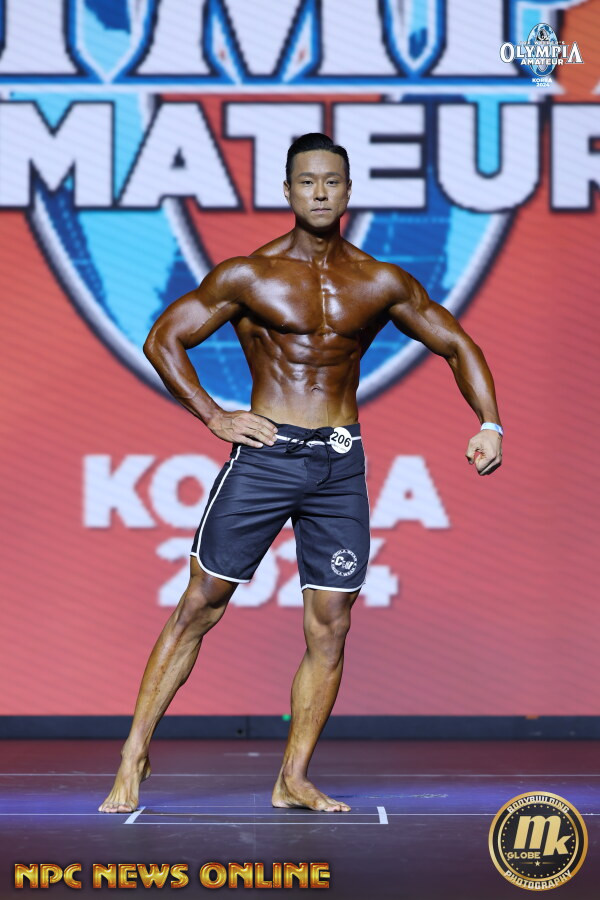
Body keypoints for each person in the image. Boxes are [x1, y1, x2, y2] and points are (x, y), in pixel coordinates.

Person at [99, 132, 502, 815]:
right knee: (201, 603)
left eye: (331, 181)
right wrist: (213, 415)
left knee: (331, 623)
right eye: (307, 181)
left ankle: (293, 777)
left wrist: (490, 423)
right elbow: (163, 338)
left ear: (349, 191)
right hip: (266, 455)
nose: (320, 192)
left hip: (338, 463)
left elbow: (456, 342)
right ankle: (134, 753)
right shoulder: (249, 276)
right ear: (287, 191)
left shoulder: (379, 281)